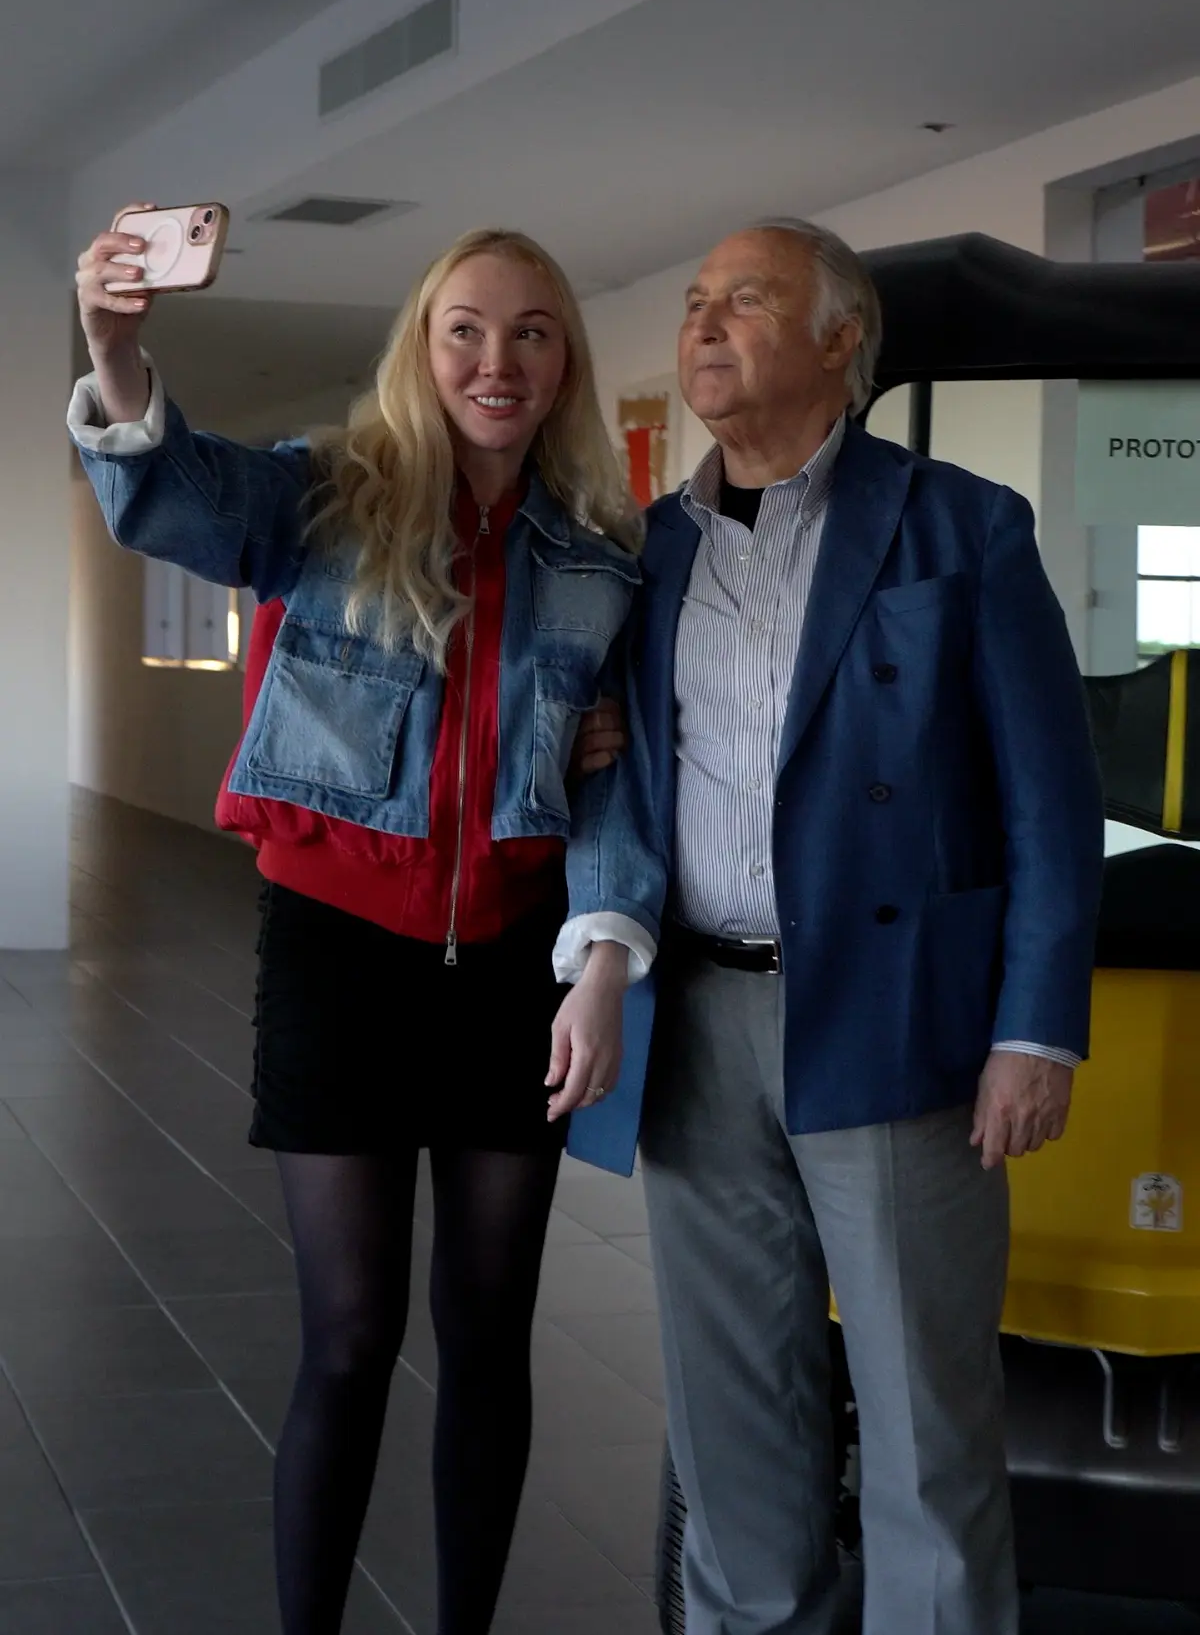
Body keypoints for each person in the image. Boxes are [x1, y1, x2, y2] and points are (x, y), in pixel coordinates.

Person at [69, 216, 664, 1635]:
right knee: (347, 1341)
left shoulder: (599, 561)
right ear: (421, 346)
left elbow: (618, 790)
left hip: (514, 971)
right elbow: (167, 494)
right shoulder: (322, 501)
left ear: (565, 358)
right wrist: (116, 348)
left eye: (530, 331)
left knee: (488, 1338)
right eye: (465, 327)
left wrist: (600, 969)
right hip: (338, 955)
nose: (496, 359)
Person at [568, 219, 1105, 1635]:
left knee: (928, 1421)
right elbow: (613, 770)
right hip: (700, 1019)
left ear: (837, 339)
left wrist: (1034, 1026)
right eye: (691, 303)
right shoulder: (644, 552)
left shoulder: (962, 524)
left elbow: (1052, 800)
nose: (703, 324)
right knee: (733, 1412)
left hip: (898, 1016)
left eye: (743, 299)